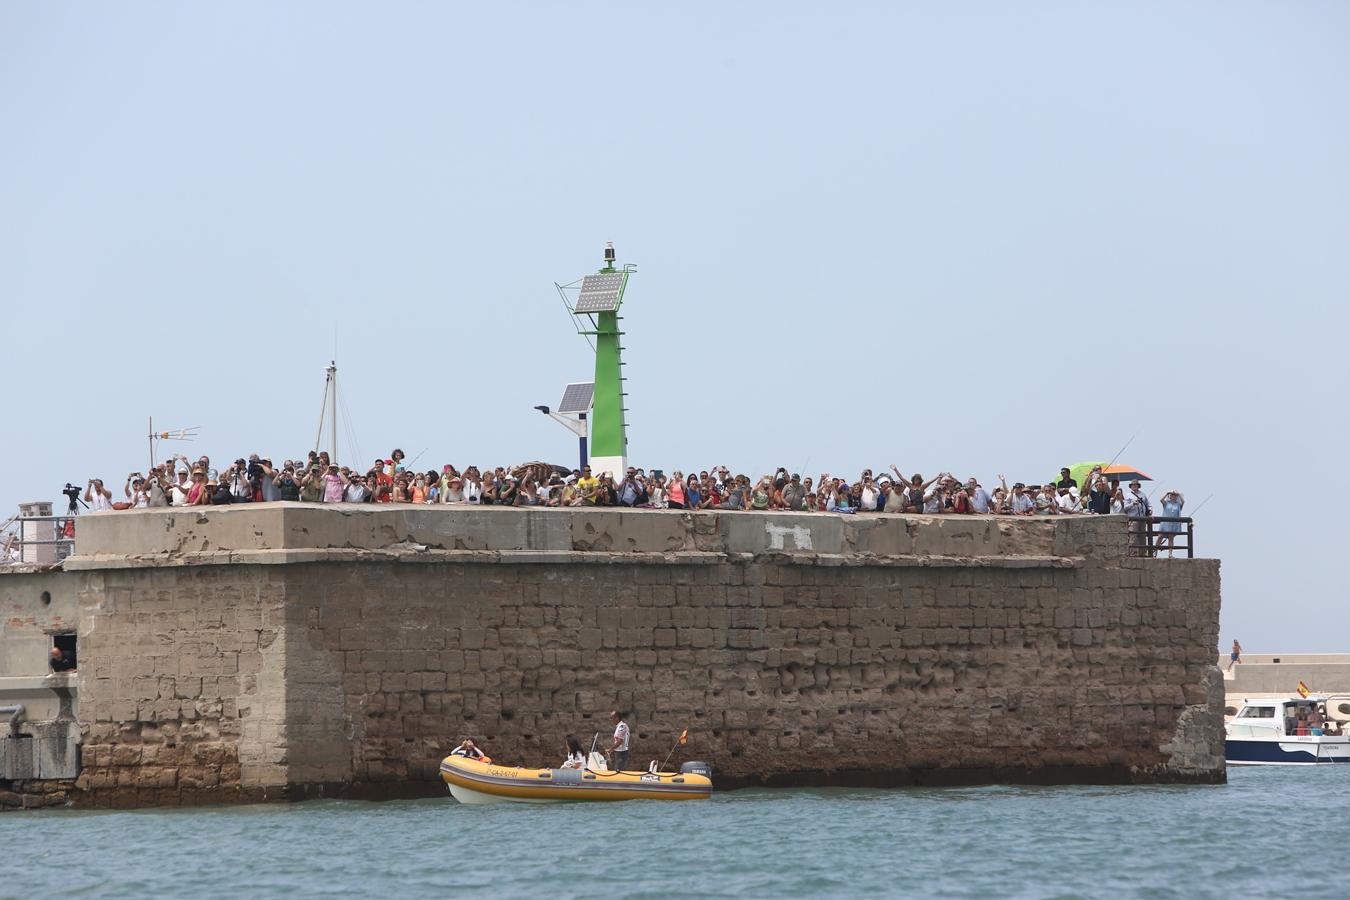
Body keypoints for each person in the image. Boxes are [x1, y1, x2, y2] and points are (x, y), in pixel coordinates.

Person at [1156, 490, 1185, 557]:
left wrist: (1179, 494)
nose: (1173, 496)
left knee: (1171, 538)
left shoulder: (1178, 504)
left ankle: (1170, 554)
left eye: (1175, 495)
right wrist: (1167, 493)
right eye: (1172, 495)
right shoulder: (1166, 503)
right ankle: (1155, 551)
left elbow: (1183, 502)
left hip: (1173, 523)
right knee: (1160, 536)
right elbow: (1161, 500)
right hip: (1165, 523)